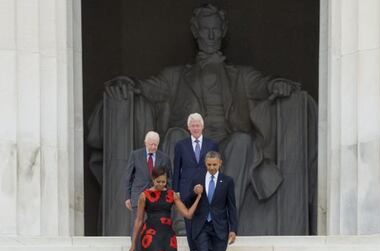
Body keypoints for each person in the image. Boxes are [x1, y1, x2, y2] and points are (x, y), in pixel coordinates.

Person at [88, 4, 317, 235]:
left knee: (243, 141)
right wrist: (128, 84)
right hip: (188, 142)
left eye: (215, 29)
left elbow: (264, 85)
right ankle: (180, 219)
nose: (210, 35)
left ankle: (222, 217)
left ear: (223, 30)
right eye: (206, 29)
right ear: (196, 31)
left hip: (224, 145)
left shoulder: (241, 76)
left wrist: (276, 85)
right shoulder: (175, 77)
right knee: (177, 136)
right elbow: (147, 88)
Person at [128, 166, 203, 251]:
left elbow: (188, 214)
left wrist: (198, 197)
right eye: (158, 181)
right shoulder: (144, 195)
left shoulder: (172, 194)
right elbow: (139, 220)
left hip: (168, 237)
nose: (161, 184)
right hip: (150, 236)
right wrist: (133, 244)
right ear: (153, 179)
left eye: (163, 182)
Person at [173, 113, 219, 251]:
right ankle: (194, 250)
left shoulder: (212, 144)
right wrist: (176, 190)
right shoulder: (181, 145)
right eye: (192, 125)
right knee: (190, 219)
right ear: (188, 127)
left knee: (206, 217)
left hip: (207, 187)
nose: (195, 128)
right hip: (186, 189)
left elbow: (216, 167)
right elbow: (177, 168)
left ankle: (206, 249)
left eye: (197, 125)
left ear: (202, 126)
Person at [124, 131, 172, 251]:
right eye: (151, 144)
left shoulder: (165, 158)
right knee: (137, 225)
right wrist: (127, 197)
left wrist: (168, 195)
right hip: (138, 195)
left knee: (154, 228)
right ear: (145, 142)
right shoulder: (135, 155)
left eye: (155, 145)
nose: (153, 147)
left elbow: (170, 179)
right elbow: (128, 177)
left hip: (157, 198)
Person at [185, 151, 237, 251]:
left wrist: (233, 229)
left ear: (220, 163)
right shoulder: (197, 179)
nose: (212, 167)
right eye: (209, 164)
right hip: (201, 226)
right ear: (205, 163)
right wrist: (194, 193)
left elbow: (231, 207)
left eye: (214, 164)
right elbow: (188, 202)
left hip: (220, 227)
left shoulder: (227, 181)